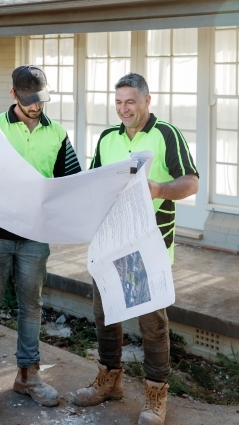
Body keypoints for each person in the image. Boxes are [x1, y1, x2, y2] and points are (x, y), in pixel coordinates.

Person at [73, 73, 199, 425]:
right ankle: (109, 382)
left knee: (152, 323)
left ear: (147, 100)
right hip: (109, 240)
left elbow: (191, 182)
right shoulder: (108, 137)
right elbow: (96, 182)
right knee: (105, 313)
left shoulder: (166, 134)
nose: (123, 108)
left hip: (149, 244)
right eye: (118, 102)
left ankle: (156, 395)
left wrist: (158, 188)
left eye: (130, 101)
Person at [0, 65, 81, 425]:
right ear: (14, 95)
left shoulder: (57, 133)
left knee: (31, 307)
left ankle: (28, 376)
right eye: (28, 101)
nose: (35, 107)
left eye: (41, 100)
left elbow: (70, 181)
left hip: (34, 236)